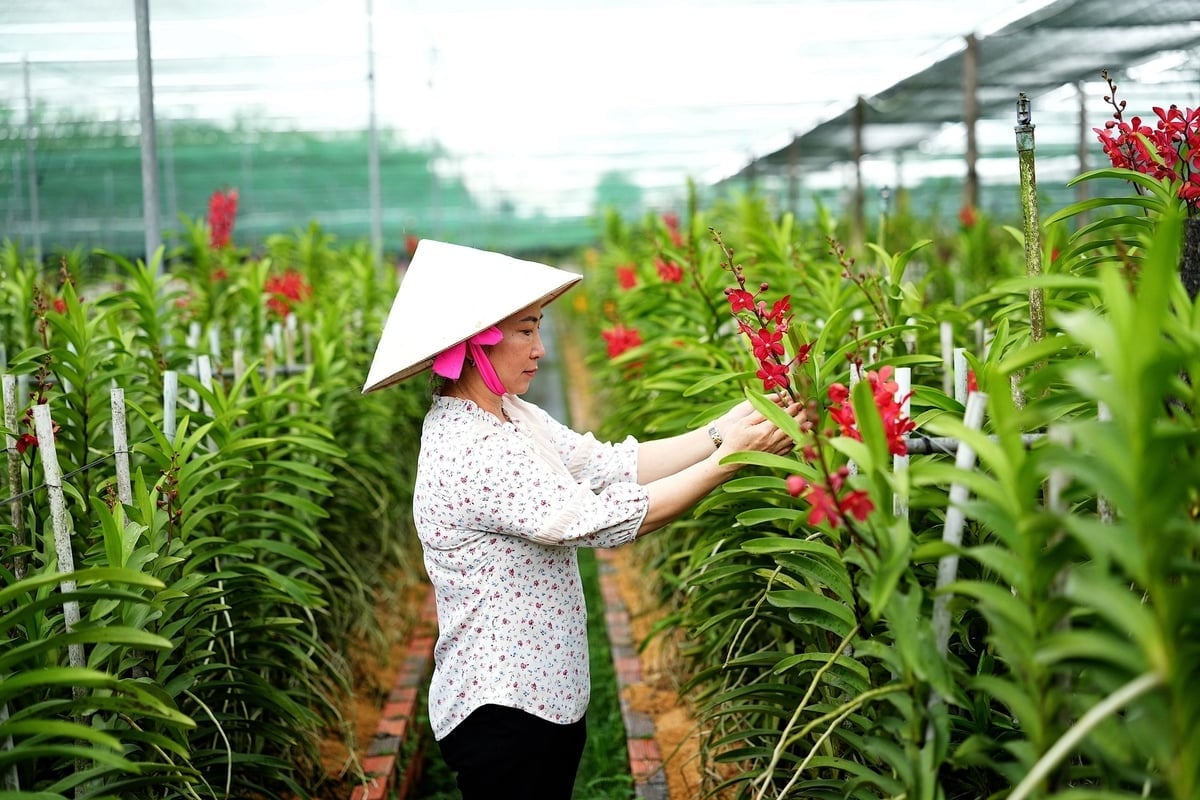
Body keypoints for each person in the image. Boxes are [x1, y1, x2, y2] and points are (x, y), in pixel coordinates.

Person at [363, 239, 800, 800]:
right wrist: (729, 460)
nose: (540, 349)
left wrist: (726, 428)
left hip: (540, 694)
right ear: (473, 344)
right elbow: (596, 519)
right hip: (503, 705)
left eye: (538, 328)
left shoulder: (510, 415)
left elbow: (611, 465)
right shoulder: (469, 445)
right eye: (525, 331)